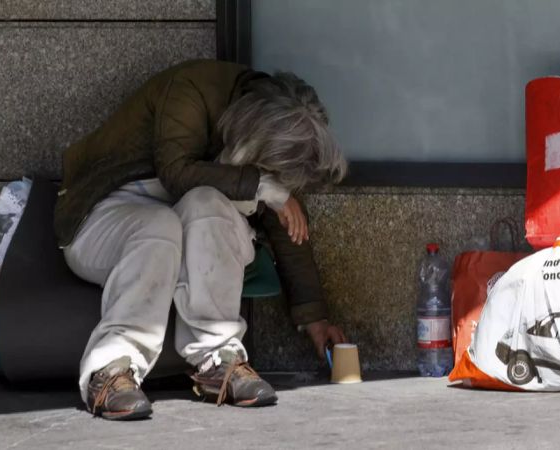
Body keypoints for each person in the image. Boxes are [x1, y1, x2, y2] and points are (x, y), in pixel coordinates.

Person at [54, 59, 348, 420]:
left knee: (208, 203)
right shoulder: (190, 90)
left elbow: (287, 222)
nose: (270, 182)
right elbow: (176, 171)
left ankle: (218, 360)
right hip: (102, 218)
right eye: (267, 172)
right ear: (253, 140)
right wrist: (260, 185)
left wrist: (313, 315)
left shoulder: (270, 128)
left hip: (183, 227)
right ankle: (111, 369)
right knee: (159, 225)